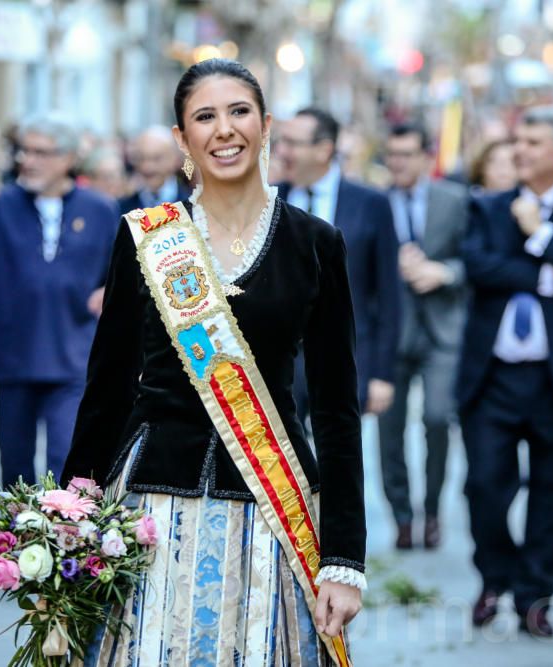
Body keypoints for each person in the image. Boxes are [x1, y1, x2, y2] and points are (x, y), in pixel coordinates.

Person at [61, 59, 365, 665]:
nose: (224, 130)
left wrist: (343, 560)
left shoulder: (314, 243)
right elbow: (107, 388)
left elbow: (335, 410)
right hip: (149, 507)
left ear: (266, 124)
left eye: (239, 112)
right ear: (182, 139)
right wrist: (72, 511)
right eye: (205, 117)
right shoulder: (147, 234)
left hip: (271, 509)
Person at [457, 106, 553, 638]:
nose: (518, 149)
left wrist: (542, 234)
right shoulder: (487, 207)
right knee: (483, 486)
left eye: (532, 141)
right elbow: (479, 267)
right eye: (517, 139)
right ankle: (493, 577)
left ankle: (535, 597)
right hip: (493, 378)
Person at [0, 112, 117, 489]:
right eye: (25, 151)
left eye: (42, 152)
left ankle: (66, 547)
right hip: (12, 355)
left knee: (67, 464)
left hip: (73, 354)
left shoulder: (100, 210)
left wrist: (111, 290)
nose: (30, 160)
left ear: (69, 158)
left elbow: (124, 272)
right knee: (15, 470)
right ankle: (13, 547)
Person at [378, 122, 469, 550]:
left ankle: (432, 510)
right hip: (392, 332)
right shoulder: (376, 203)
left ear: (425, 157)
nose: (398, 163)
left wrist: (443, 272)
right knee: (388, 429)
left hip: (441, 329)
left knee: (437, 419)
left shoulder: (453, 200)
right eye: (391, 154)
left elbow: (477, 258)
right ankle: (401, 516)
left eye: (406, 154)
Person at [275, 107, 401, 416]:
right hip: (280, 364)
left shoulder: (371, 204)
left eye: (292, 143)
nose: (281, 152)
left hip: (347, 360)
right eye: (281, 142)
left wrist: (383, 373)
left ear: (324, 149)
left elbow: (388, 293)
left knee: (340, 461)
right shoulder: (269, 201)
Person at [117, 125, 190, 214]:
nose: (147, 167)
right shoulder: (122, 209)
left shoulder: (196, 207)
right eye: (141, 158)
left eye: (156, 158)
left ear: (175, 160)